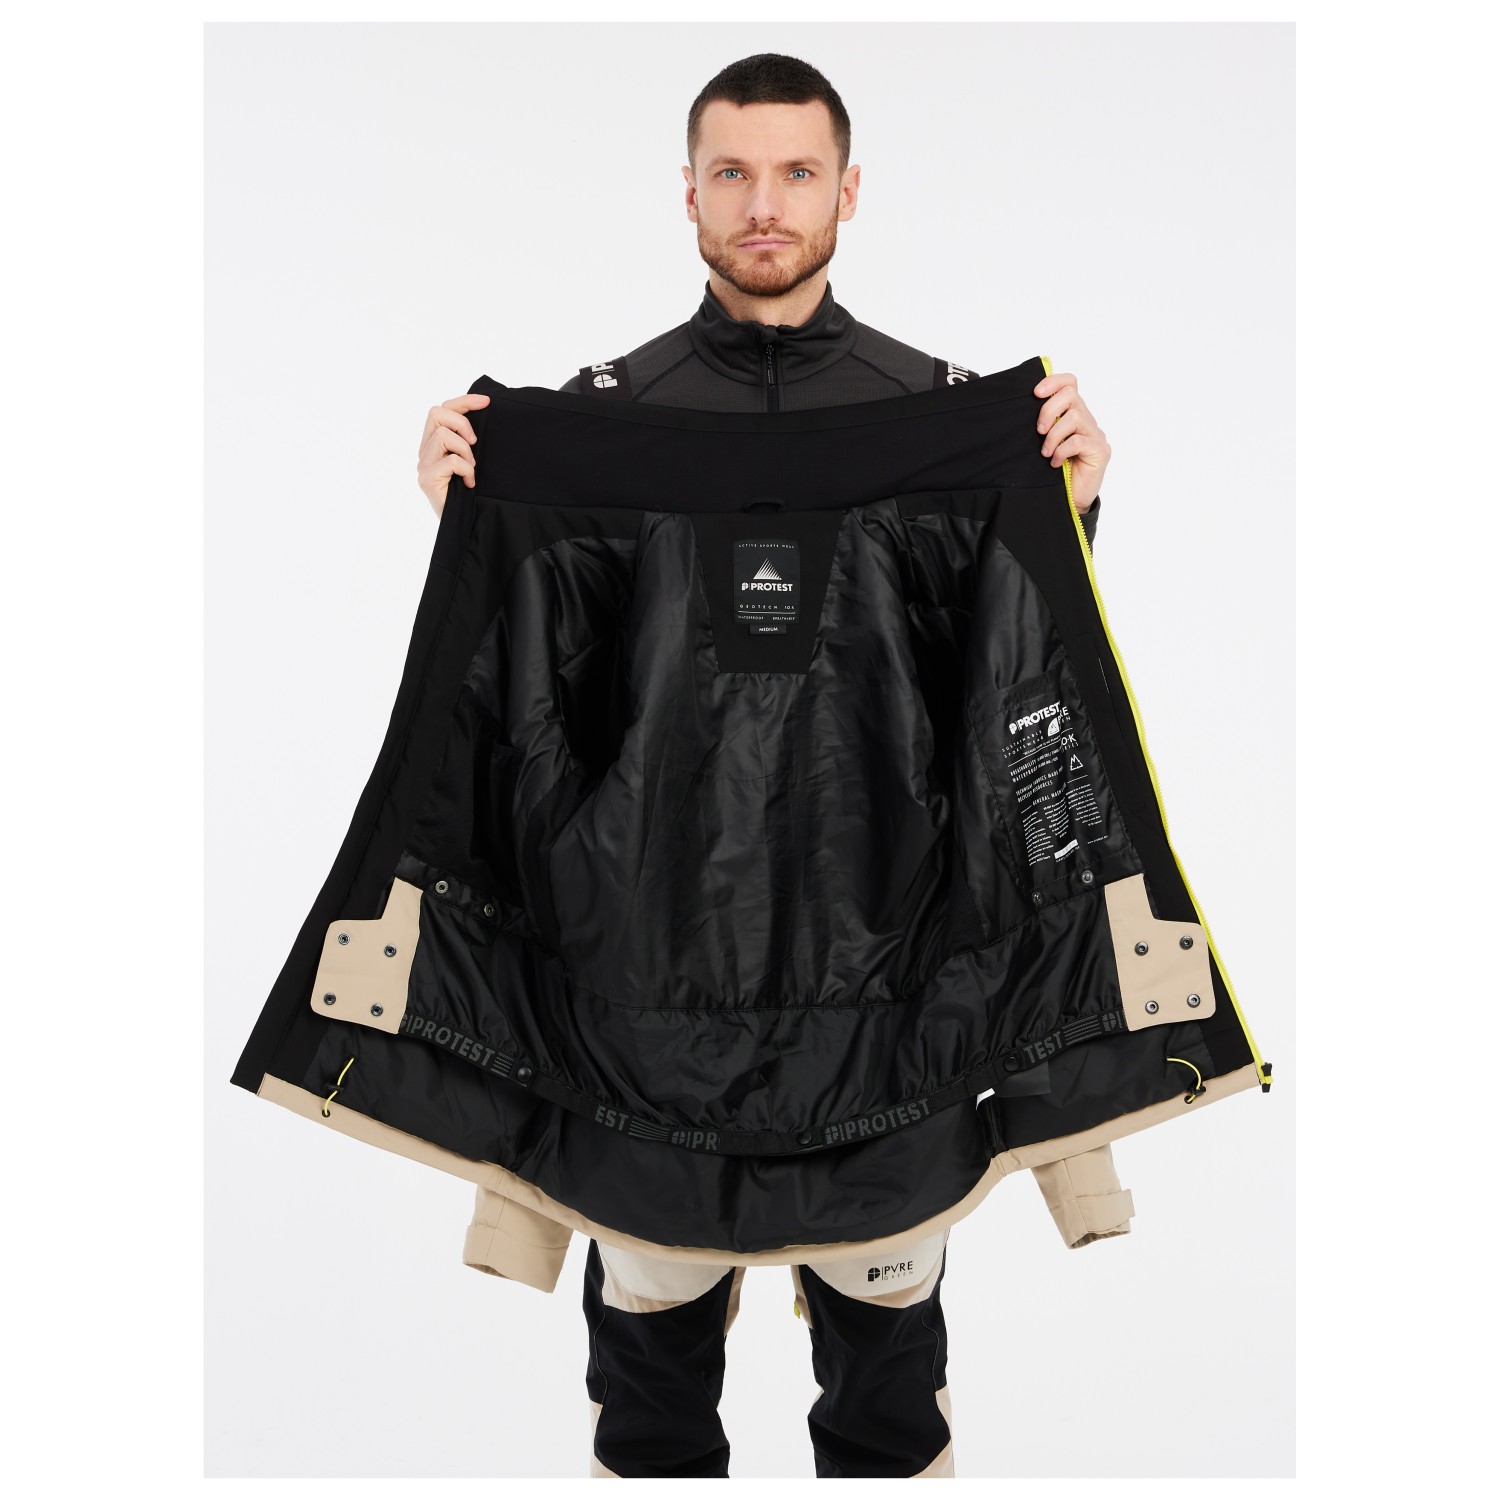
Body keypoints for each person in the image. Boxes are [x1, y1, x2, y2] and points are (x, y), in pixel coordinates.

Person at [413, 53, 1115, 1481]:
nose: (765, 205)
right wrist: (472, 531)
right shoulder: (607, 420)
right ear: (687, 192)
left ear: (849, 192)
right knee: (650, 1401)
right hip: (642, 1005)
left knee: (889, 1405)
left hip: (894, 999)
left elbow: (1002, 696)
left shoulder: (942, 413)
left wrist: (1067, 516)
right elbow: (536, 712)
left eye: (798, 172)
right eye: (732, 173)